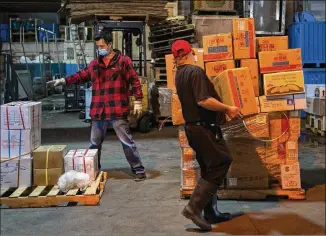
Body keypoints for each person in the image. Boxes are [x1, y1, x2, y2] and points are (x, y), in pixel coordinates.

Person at [47, 30, 146, 181]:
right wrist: (64, 81)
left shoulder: (124, 61)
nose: (100, 49)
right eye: (98, 46)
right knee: (94, 144)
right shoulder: (95, 64)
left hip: (117, 109)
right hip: (98, 111)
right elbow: (80, 75)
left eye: (102, 46)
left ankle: (138, 170)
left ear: (110, 45)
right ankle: (94, 170)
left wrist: (138, 100)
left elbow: (134, 81)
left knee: (127, 142)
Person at [172, 40, 243, 231]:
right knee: (222, 161)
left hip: (194, 129)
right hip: (203, 129)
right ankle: (193, 208)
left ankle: (211, 212)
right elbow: (203, 100)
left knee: (209, 167)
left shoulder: (179, 74)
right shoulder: (195, 72)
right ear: (191, 53)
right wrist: (228, 108)